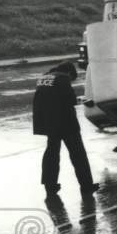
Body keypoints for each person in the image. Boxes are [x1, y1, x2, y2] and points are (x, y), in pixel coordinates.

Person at [32, 60, 98, 197]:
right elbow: (70, 100)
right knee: (78, 155)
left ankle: (50, 186)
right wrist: (83, 100)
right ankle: (86, 186)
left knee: (51, 154)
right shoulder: (63, 78)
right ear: (69, 72)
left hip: (49, 123)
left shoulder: (43, 78)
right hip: (66, 123)